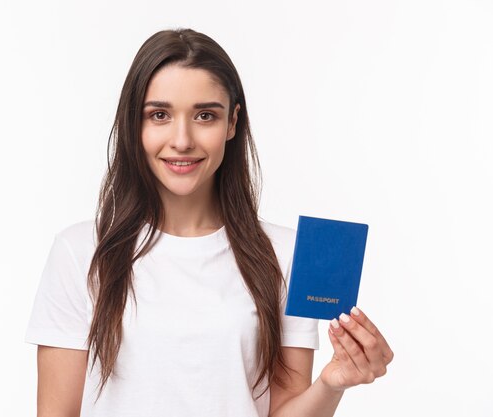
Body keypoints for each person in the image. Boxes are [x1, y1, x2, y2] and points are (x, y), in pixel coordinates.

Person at [24, 27, 393, 417]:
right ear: (134, 124)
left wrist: (331, 384)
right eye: (159, 115)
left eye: (205, 115)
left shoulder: (285, 255)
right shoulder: (81, 252)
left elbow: (283, 408)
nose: (182, 140)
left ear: (232, 123)